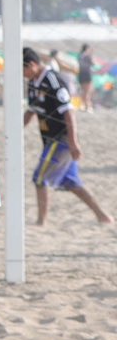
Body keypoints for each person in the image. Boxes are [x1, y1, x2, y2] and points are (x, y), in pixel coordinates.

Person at [26, 47, 110, 226]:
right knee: (71, 183)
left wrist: (73, 142)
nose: (22, 74)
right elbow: (31, 110)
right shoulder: (32, 82)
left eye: (23, 69)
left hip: (61, 139)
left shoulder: (53, 82)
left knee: (39, 178)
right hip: (48, 139)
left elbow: (69, 112)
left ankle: (41, 222)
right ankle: (103, 216)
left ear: (32, 65)